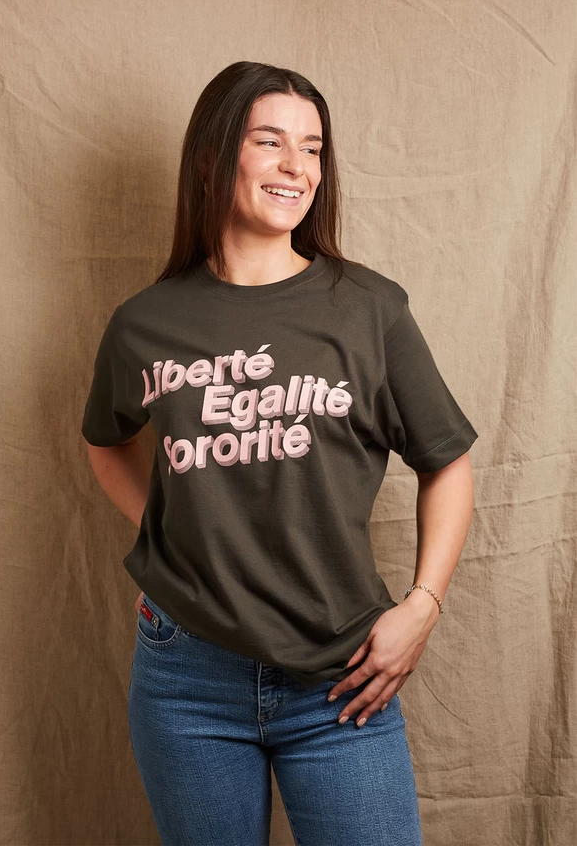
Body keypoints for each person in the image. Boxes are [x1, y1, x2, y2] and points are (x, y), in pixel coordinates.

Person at [81, 61, 478, 846]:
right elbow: (108, 444)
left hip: (341, 680)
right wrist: (165, 535)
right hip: (186, 677)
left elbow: (447, 460)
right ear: (213, 156)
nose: (297, 167)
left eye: (314, 149)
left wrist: (421, 609)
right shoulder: (145, 323)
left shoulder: (368, 309)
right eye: (271, 142)